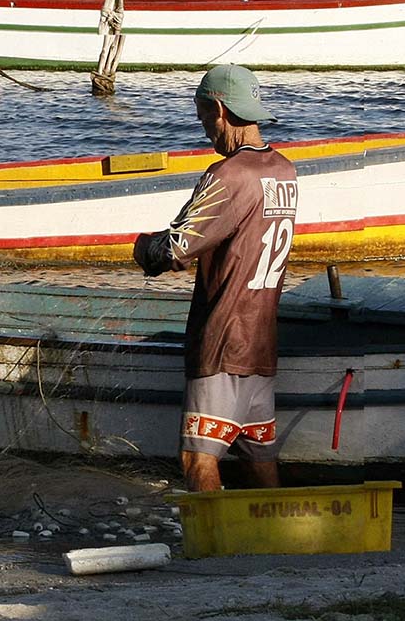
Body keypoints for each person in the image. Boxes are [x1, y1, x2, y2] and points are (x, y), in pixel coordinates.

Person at [133, 65, 297, 493]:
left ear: (220, 110)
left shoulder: (226, 175)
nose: (205, 129)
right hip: (261, 344)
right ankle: (276, 537)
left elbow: (174, 250)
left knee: (197, 458)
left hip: (223, 342)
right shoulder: (284, 171)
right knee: (258, 456)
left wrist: (141, 247)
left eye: (204, 117)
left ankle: (209, 552)